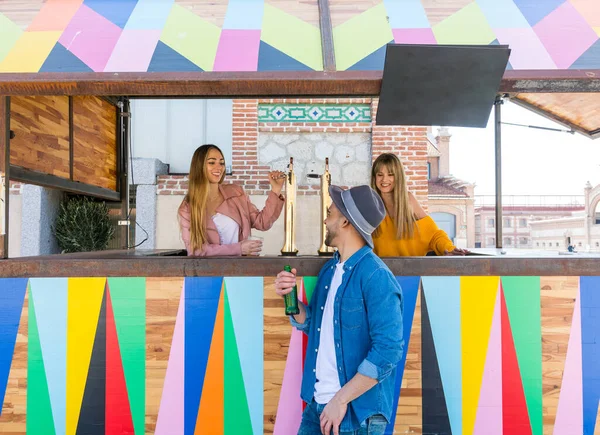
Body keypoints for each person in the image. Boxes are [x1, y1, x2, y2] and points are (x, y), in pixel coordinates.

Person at [275, 185, 404, 435]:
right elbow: (313, 325)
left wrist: (340, 400)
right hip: (318, 407)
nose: (325, 219)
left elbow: (388, 351)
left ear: (345, 220)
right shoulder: (330, 271)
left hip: (356, 415)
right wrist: (290, 298)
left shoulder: (376, 276)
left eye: (330, 212)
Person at [178, 144, 285, 256]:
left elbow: (262, 222)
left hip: (241, 270)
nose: (218, 167)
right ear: (199, 166)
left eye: (222, 163)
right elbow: (196, 250)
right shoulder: (188, 208)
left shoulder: (236, 193)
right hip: (210, 272)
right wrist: (239, 249)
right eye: (211, 162)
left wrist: (276, 190)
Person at [370, 153, 469, 257]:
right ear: (374, 177)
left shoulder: (407, 201)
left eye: (391, 174)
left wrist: (449, 249)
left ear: (398, 177)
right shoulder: (369, 204)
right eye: (380, 175)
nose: (384, 180)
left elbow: (434, 234)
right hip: (378, 271)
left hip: (410, 270)